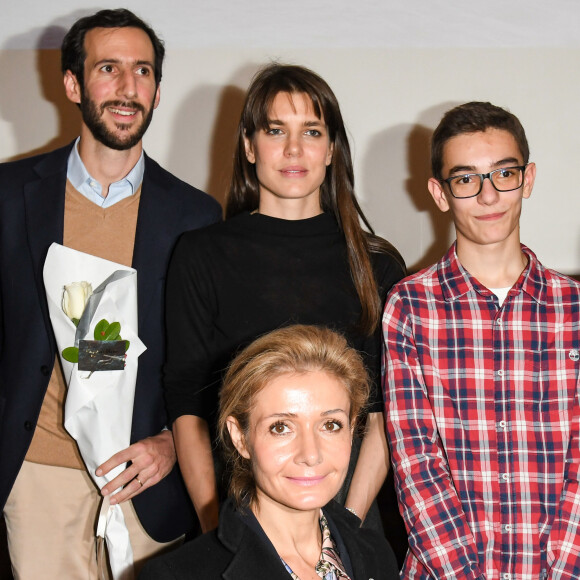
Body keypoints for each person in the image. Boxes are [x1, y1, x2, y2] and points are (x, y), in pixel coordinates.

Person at [0, 8, 222, 578]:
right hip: (39, 475)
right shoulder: (8, 195)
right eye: (108, 68)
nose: (128, 87)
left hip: (147, 479)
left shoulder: (196, 215)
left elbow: (209, 360)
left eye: (143, 70)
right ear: (74, 84)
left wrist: (173, 443)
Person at [164, 63, 406, 534]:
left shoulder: (378, 265)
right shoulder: (201, 254)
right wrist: (221, 531)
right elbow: (187, 407)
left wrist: (344, 534)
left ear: (331, 149)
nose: (294, 149)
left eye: (311, 131)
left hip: (349, 511)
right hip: (238, 512)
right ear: (250, 147)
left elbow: (382, 420)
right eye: (276, 130)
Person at [382, 101, 580, 578]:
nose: (489, 196)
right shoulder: (409, 307)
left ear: (527, 179)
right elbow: (416, 462)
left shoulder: (575, 308)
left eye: (504, 174)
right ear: (440, 192)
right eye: (466, 179)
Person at [141, 325, 399, 579]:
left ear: (352, 429)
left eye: (330, 425)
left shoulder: (375, 553)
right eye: (281, 427)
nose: (310, 454)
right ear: (240, 438)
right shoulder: (178, 575)